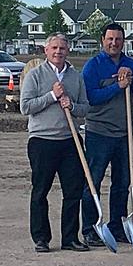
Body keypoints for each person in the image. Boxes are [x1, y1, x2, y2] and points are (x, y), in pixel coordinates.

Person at [80, 23, 133, 246]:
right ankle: (90, 228)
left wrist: (131, 78)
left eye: (118, 39)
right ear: (102, 40)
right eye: (110, 39)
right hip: (99, 133)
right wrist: (117, 87)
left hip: (125, 135)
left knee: (122, 183)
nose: (114, 43)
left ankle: (117, 227)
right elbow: (91, 97)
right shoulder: (93, 66)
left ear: (123, 41)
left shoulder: (131, 64)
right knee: (94, 182)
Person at [20, 33, 91, 253]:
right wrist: (52, 95)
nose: (58, 52)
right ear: (46, 51)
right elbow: (26, 107)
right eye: (54, 48)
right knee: (41, 190)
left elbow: (85, 108)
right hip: (42, 140)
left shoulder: (75, 76)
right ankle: (41, 238)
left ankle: (70, 238)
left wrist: (72, 105)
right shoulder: (35, 75)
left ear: (67, 51)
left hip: (70, 139)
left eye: (62, 48)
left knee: (73, 191)